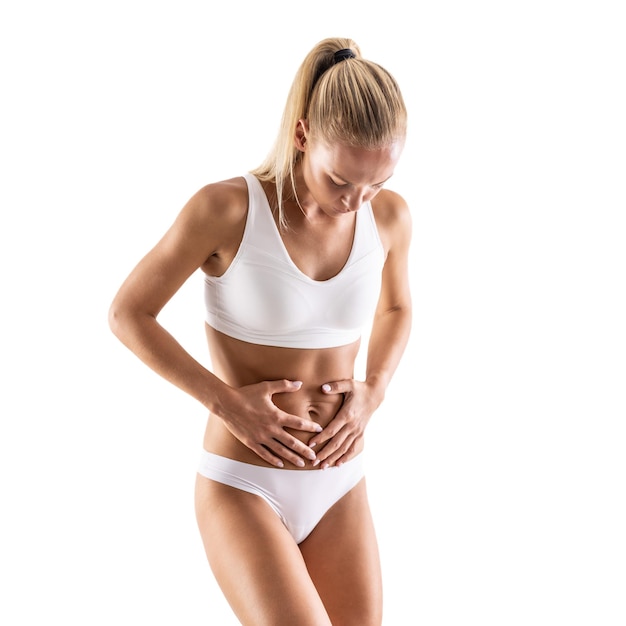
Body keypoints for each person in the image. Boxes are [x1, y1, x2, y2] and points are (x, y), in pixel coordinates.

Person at [109, 36, 411, 626]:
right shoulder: (226, 210)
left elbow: (398, 309)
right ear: (302, 136)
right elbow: (128, 313)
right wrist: (224, 402)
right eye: (341, 181)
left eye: (375, 183)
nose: (357, 202)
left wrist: (373, 390)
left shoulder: (391, 215)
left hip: (340, 481)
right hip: (244, 483)